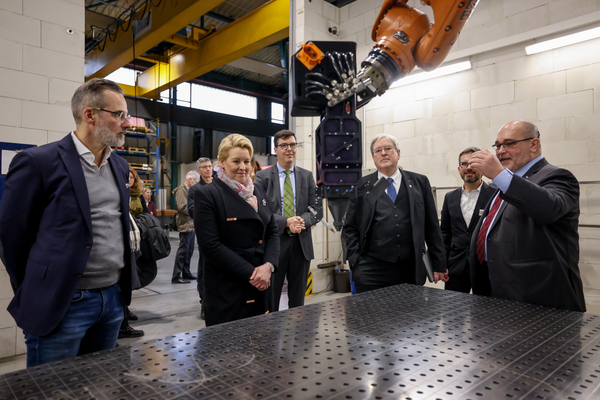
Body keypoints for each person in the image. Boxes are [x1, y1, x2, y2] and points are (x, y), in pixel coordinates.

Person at [0, 78, 134, 367]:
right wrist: (37, 289)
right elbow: (12, 237)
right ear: (90, 115)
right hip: (63, 302)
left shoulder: (120, 166)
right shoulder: (39, 162)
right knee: (51, 386)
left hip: (112, 300)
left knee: (97, 384)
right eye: (119, 114)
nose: (127, 123)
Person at [468, 120, 585, 312]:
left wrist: (499, 174)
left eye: (509, 143)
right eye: (497, 146)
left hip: (537, 296)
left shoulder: (558, 176)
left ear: (533, 144)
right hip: (493, 290)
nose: (501, 151)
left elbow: (549, 208)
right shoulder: (501, 185)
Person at [343, 133, 448, 293]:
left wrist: (439, 263)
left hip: (410, 268)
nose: (383, 153)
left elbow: (432, 226)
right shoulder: (361, 187)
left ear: (398, 153)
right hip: (371, 269)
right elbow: (350, 227)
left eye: (388, 148)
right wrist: (355, 260)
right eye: (378, 150)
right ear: (373, 157)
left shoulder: (419, 183)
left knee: (410, 309)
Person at [194, 134, 279, 326]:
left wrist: (269, 265)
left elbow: (272, 230)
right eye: (236, 161)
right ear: (222, 162)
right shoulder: (207, 195)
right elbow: (210, 246)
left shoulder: (257, 191)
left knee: (263, 339)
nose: (243, 167)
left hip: (262, 284)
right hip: (229, 289)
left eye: (247, 161)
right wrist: (252, 274)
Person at [254, 130, 318, 311]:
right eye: (284, 145)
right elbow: (259, 210)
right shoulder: (263, 177)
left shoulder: (307, 176)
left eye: (292, 145)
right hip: (275, 244)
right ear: (275, 149)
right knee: (271, 298)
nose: (289, 149)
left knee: (298, 302)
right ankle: (272, 329)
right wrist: (286, 222)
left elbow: (316, 209)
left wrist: (300, 221)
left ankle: (297, 329)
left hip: (301, 244)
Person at [440, 147, 494, 293]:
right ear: (459, 169)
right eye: (464, 164)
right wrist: (442, 263)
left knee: (484, 306)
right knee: (452, 306)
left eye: (473, 164)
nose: (468, 168)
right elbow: (445, 233)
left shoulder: (495, 195)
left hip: (486, 267)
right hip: (456, 266)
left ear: (482, 168)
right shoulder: (450, 197)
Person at [117, 167, 146, 339]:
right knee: (120, 283)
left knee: (128, 280)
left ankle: (124, 315)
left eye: (132, 177)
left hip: (135, 238)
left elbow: (146, 214)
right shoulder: (119, 192)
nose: (129, 179)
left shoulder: (137, 195)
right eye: (127, 176)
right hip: (122, 239)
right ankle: (122, 325)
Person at [187, 157, 213, 318]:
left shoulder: (220, 185)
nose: (208, 169)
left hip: (223, 233)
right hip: (206, 234)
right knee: (204, 268)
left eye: (209, 166)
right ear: (199, 170)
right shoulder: (195, 190)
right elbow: (192, 211)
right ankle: (204, 302)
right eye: (204, 167)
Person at [171, 170, 200, 284]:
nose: (196, 184)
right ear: (190, 179)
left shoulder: (189, 191)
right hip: (185, 224)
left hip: (191, 224)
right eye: (196, 181)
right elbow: (182, 207)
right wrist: (195, 211)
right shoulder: (181, 190)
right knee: (183, 250)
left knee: (189, 250)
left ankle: (186, 272)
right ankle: (176, 275)